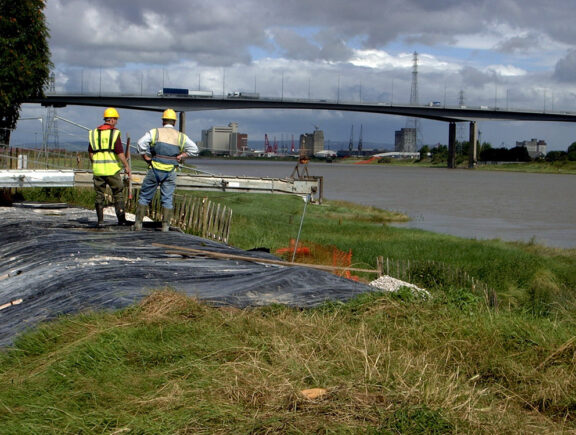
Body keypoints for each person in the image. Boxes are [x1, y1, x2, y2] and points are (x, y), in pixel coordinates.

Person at [134, 109, 198, 231]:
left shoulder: (154, 132)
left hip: (154, 170)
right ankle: (165, 227)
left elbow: (140, 143)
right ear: (174, 122)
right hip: (170, 172)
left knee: (144, 197)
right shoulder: (181, 137)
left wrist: (145, 156)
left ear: (163, 121)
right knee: (167, 199)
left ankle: (138, 224)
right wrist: (182, 156)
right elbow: (194, 149)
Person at [88, 107, 131, 227]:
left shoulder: (94, 133)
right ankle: (121, 220)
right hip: (112, 170)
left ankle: (100, 221)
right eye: (116, 119)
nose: (116, 121)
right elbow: (119, 152)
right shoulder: (114, 133)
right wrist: (126, 166)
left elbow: (91, 152)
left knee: (99, 195)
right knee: (118, 193)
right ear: (111, 120)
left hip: (98, 171)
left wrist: (96, 163)